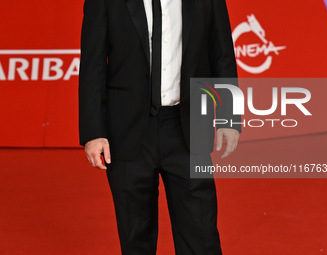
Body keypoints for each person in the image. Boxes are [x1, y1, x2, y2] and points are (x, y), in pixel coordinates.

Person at [78, 0, 241, 254]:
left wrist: (229, 117)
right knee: (136, 237)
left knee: (201, 233)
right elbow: (93, 64)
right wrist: (94, 132)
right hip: (128, 132)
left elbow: (222, 54)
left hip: (187, 127)